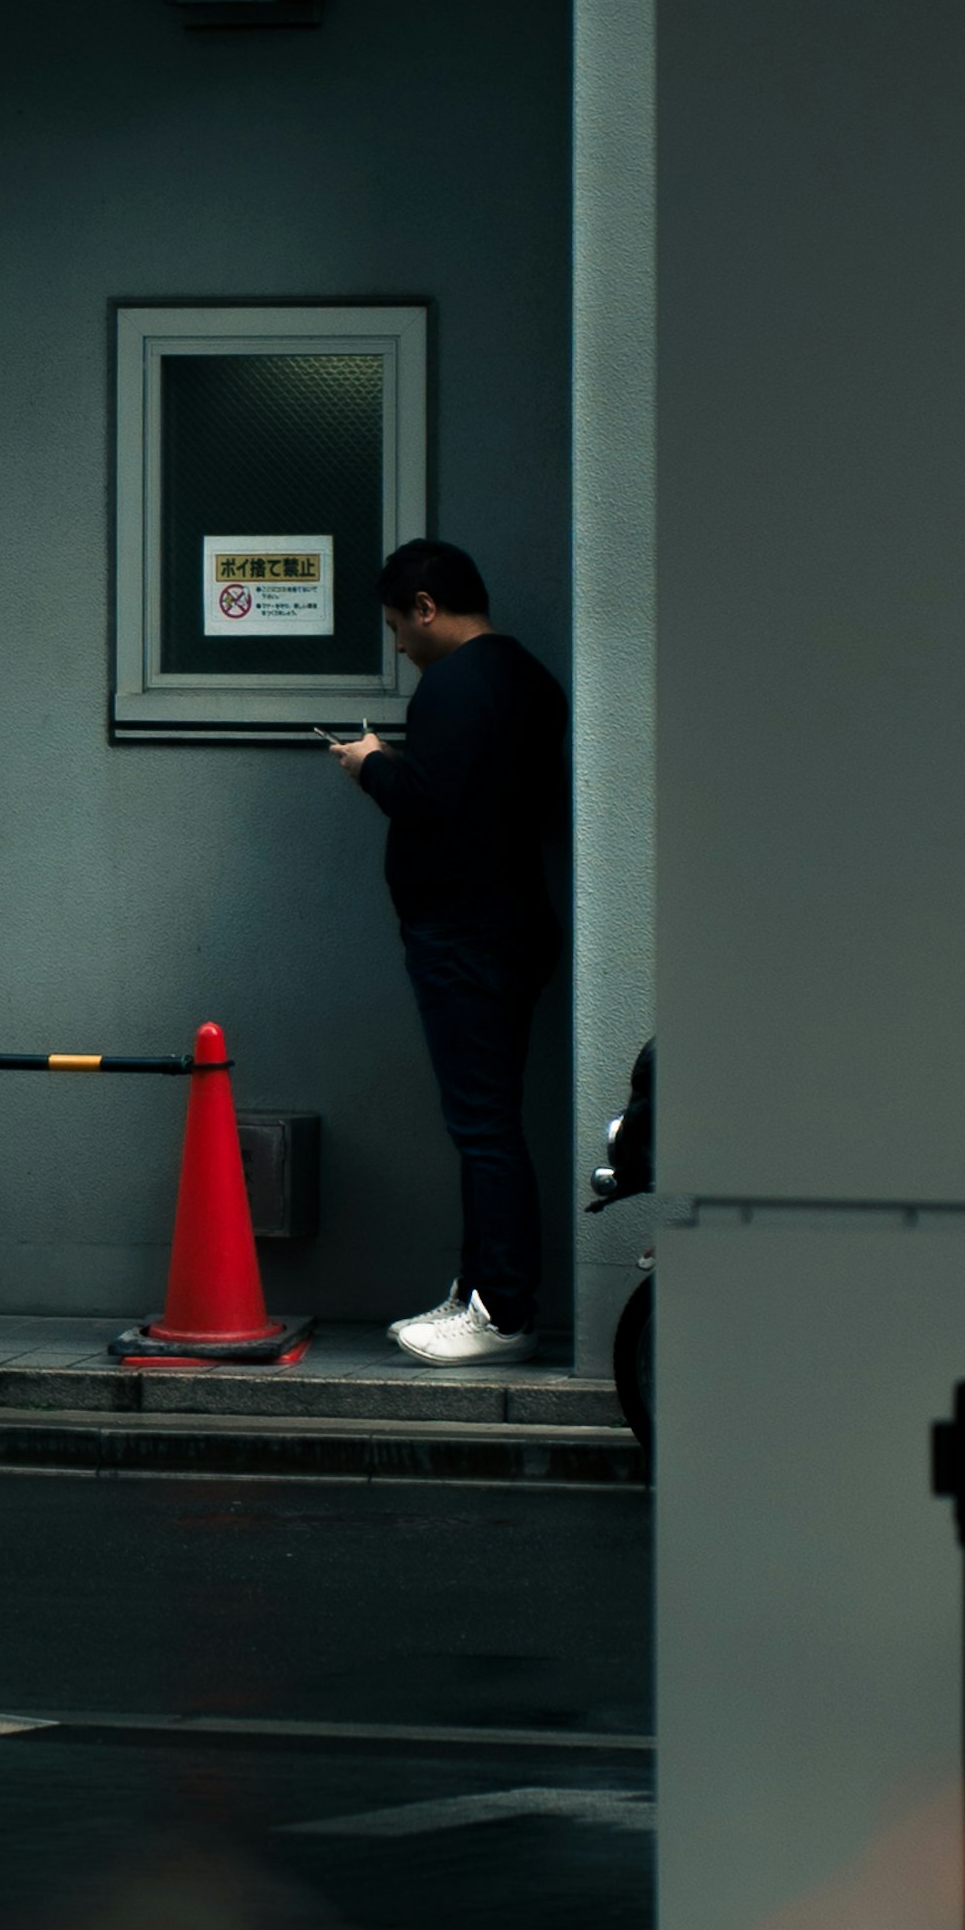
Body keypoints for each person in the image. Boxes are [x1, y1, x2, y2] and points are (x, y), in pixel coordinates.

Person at [326, 537, 566, 1364]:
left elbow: (432, 801)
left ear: (428, 607)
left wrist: (370, 765)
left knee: (484, 1126)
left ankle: (499, 1310)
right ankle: (478, 1293)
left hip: (467, 935)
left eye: (398, 623)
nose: (396, 642)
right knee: (485, 1122)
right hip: (511, 924)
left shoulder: (455, 686)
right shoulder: (529, 677)